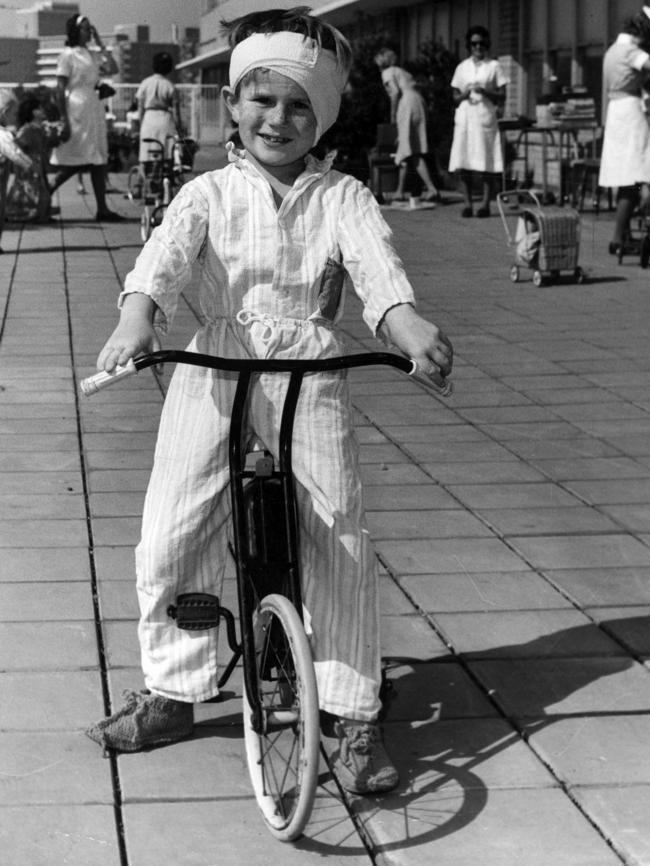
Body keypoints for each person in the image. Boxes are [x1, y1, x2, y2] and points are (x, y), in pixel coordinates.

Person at [84, 7, 453, 796]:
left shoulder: (341, 194)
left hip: (308, 370)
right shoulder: (209, 191)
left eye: (297, 105)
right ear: (235, 104)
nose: (277, 119)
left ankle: (352, 713)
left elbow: (376, 270)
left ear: (319, 117)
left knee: (338, 530)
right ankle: (174, 686)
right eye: (261, 100)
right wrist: (137, 316)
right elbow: (164, 260)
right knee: (172, 525)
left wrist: (405, 320)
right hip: (214, 363)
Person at [49, 14, 124, 221]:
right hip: (76, 109)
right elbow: (60, 87)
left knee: (97, 158)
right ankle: (43, 194)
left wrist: (100, 44)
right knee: (76, 160)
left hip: (93, 108)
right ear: (75, 31)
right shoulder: (68, 55)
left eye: (90, 28)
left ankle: (102, 208)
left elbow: (114, 69)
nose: (88, 32)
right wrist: (64, 119)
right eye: (85, 28)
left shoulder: (91, 54)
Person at [599, 10, 650, 254]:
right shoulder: (631, 51)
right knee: (636, 176)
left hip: (616, 112)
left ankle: (624, 235)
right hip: (630, 112)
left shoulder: (611, 51)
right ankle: (619, 238)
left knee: (624, 177)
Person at [448, 26, 507, 217]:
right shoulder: (462, 67)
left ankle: (485, 205)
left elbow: (502, 96)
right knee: (463, 160)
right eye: (474, 43)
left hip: (484, 116)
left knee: (486, 162)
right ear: (469, 45)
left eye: (481, 43)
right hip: (466, 117)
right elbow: (454, 96)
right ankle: (467, 204)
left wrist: (485, 91)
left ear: (486, 44)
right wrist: (465, 93)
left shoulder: (494, 66)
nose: (478, 47)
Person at [374, 46, 439, 203]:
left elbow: (395, 93)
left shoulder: (387, 73)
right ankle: (400, 191)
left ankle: (431, 188)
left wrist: (393, 117)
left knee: (411, 150)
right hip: (418, 102)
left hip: (407, 104)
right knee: (406, 148)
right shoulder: (401, 71)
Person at [5, 95, 59, 223]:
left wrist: (54, 136)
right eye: (39, 108)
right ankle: (29, 213)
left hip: (37, 164)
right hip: (29, 166)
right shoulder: (28, 129)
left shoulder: (38, 128)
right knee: (31, 190)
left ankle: (39, 213)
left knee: (40, 190)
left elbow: (46, 144)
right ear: (33, 112)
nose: (43, 110)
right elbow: (18, 146)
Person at [0, 90, 34, 251]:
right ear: (4, 112)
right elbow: (14, 153)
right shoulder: (3, 134)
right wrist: (28, 164)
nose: (15, 117)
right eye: (14, 113)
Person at [135, 51, 182, 164]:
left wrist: (141, 124)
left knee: (146, 152)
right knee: (166, 153)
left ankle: (144, 178)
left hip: (148, 119)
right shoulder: (170, 85)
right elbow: (176, 112)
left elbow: (140, 107)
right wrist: (179, 128)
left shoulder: (145, 83)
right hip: (165, 119)